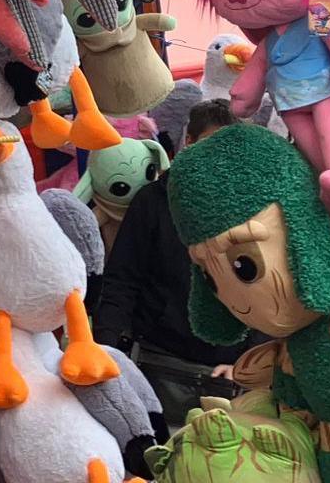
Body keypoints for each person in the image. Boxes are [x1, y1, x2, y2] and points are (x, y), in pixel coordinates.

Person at [91, 98, 258, 425]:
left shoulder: (253, 208)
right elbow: (122, 280)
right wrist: (105, 354)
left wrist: (251, 362)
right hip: (160, 363)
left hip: (232, 375)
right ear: (188, 143)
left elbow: (271, 290)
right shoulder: (153, 201)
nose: (218, 159)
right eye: (210, 145)